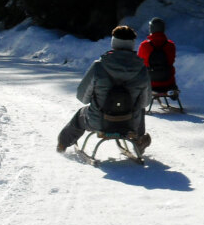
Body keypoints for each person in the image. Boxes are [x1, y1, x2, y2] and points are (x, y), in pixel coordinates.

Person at [57, 25, 152, 154]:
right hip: (130, 123)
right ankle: (138, 139)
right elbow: (145, 102)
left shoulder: (99, 66)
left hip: (99, 121)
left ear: (113, 43)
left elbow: (82, 97)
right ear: (132, 44)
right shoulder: (142, 70)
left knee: (81, 114)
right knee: (139, 109)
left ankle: (62, 144)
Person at [137, 17, 177, 94]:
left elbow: (140, 63)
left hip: (150, 83)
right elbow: (171, 61)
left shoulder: (144, 45)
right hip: (168, 82)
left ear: (151, 29)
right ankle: (173, 91)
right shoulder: (171, 45)